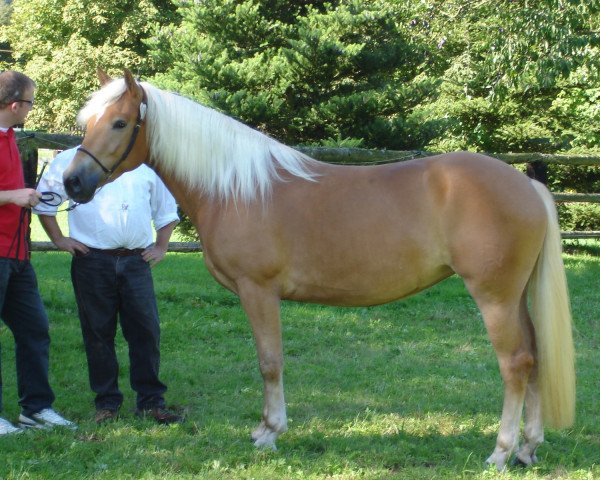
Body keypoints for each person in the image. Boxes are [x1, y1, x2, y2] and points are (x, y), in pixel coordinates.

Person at [35, 146, 182, 425]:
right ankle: (107, 403)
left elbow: (166, 209)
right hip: (91, 259)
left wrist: (162, 246)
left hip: (136, 261)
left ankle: (151, 402)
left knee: (146, 332)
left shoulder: (142, 162)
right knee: (98, 334)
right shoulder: (70, 160)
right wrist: (59, 239)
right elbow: (46, 202)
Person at [0, 70, 76, 434]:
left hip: (17, 256)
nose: (31, 109)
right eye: (30, 102)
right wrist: (13, 196)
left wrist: (26, 195)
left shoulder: (10, 137)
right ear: (16, 105)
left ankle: (35, 409)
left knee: (35, 329)